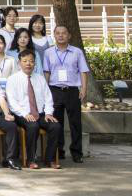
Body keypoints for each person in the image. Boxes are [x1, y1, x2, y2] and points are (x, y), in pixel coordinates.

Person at [7, 50, 62, 169]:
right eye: (25, 61)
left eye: (31, 61)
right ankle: (30, 160)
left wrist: (48, 113)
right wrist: (24, 114)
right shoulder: (12, 79)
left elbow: (48, 97)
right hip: (21, 114)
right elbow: (12, 102)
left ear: (35, 63)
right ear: (19, 63)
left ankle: (50, 159)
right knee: (33, 126)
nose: (28, 64)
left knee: (55, 126)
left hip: (40, 114)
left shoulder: (40, 78)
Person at [42, 25, 89, 164]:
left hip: (72, 90)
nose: (61, 35)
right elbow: (46, 72)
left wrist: (84, 88)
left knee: (75, 123)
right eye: (58, 33)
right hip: (55, 90)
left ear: (69, 35)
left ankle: (77, 152)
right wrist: (45, 91)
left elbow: (83, 71)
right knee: (57, 123)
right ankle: (59, 151)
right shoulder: (48, 52)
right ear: (54, 36)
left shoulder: (77, 52)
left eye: (63, 33)